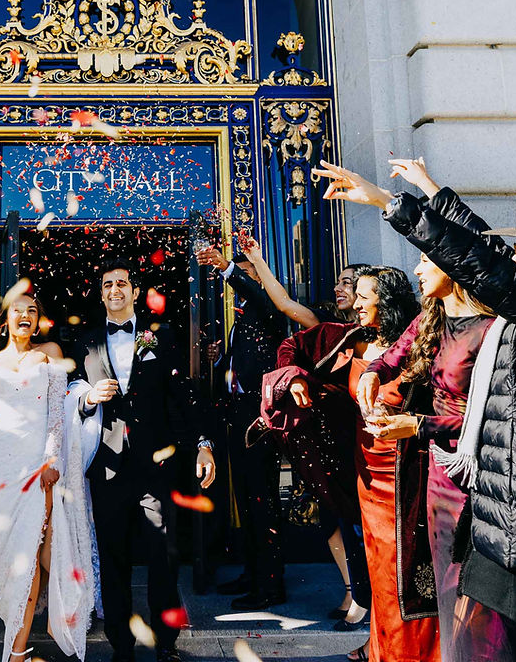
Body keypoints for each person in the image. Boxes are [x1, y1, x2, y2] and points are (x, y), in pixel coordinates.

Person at [316, 157, 516, 662]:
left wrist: (389, 203)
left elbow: (487, 268)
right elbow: (486, 252)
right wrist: (429, 191)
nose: (515, 256)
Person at [351, 162, 516, 662]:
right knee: (446, 586)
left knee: (480, 596)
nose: (420, 270)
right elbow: (391, 357)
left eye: (428, 260)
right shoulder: (429, 318)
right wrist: (371, 373)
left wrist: (417, 424)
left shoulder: (490, 330)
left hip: (478, 478)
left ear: (453, 266)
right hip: (434, 475)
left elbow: (487, 417)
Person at [253, 266, 436, 662]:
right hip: (364, 470)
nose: (356, 302)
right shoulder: (348, 339)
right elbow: (292, 348)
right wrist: (297, 379)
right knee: (376, 561)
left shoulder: (422, 342)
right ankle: (380, 644)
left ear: (384, 301)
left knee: (407, 562)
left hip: (411, 470)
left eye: (365, 296)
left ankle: (414, 650)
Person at [69, 258, 216, 662]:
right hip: (108, 465)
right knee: (114, 557)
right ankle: (121, 646)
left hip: (156, 464)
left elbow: (183, 395)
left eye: (122, 283)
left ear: (135, 292)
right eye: (107, 284)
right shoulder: (84, 341)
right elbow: (68, 392)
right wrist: (86, 398)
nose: (114, 290)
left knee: (163, 555)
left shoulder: (162, 338)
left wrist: (203, 443)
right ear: (101, 294)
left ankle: (166, 645)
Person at [0, 287, 93, 662]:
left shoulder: (50, 355)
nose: (25, 316)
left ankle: (17, 651)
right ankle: (18, 647)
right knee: (11, 558)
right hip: (1, 464)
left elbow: (56, 414)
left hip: (38, 466)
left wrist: (51, 460)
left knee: (33, 556)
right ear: (5, 318)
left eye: (32, 310)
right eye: (18, 310)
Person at [195, 245, 288, 609]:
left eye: (250, 274)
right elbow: (239, 368)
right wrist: (218, 362)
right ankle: (253, 574)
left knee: (262, 501)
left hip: (259, 420)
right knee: (247, 500)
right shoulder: (243, 316)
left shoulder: (271, 308)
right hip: (237, 417)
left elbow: (256, 292)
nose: (244, 281)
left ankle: (271, 586)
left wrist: (227, 266)